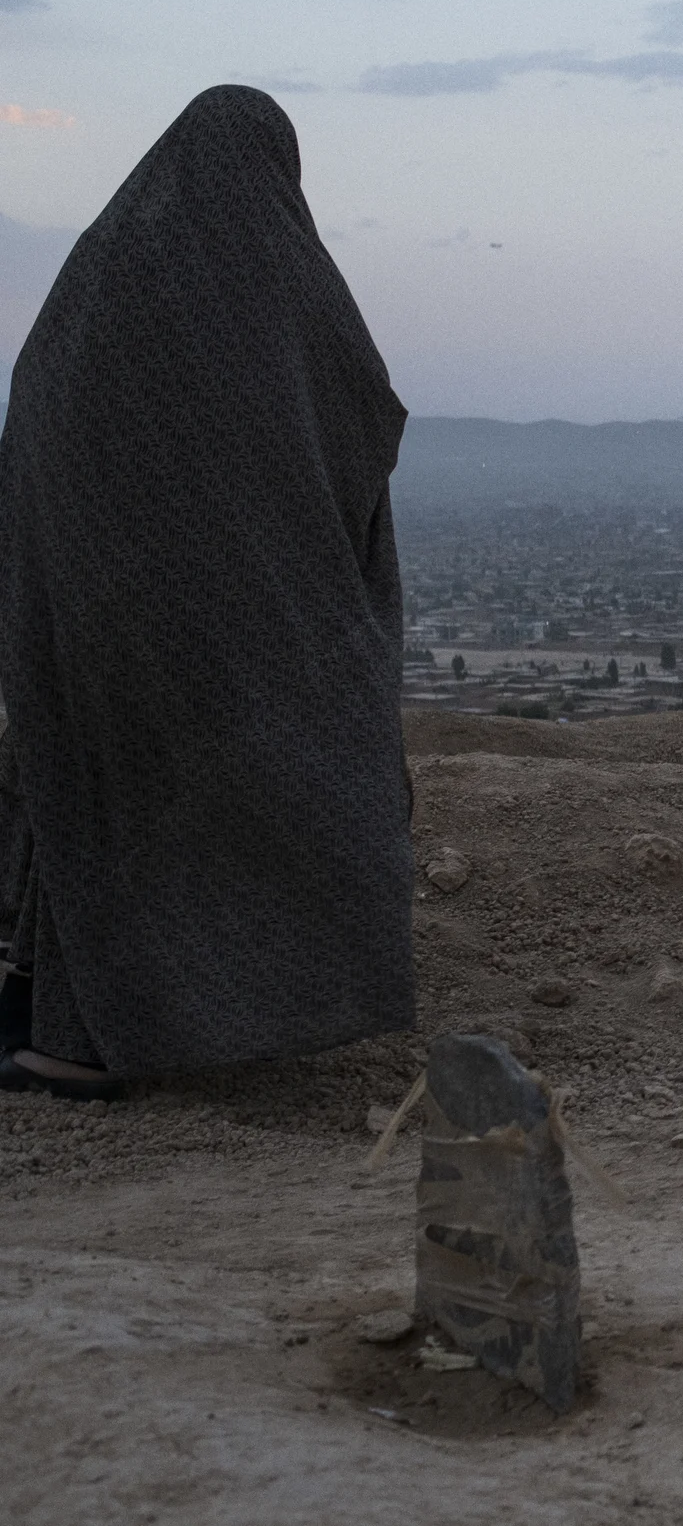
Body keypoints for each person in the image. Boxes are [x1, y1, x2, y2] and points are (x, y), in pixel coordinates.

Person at [0, 87, 415, 1100]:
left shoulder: (95, 281)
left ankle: (56, 1005)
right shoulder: (281, 280)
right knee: (270, 776)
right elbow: (360, 411)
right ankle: (101, 1040)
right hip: (226, 620)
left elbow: (33, 427)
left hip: (87, 608)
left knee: (96, 796)